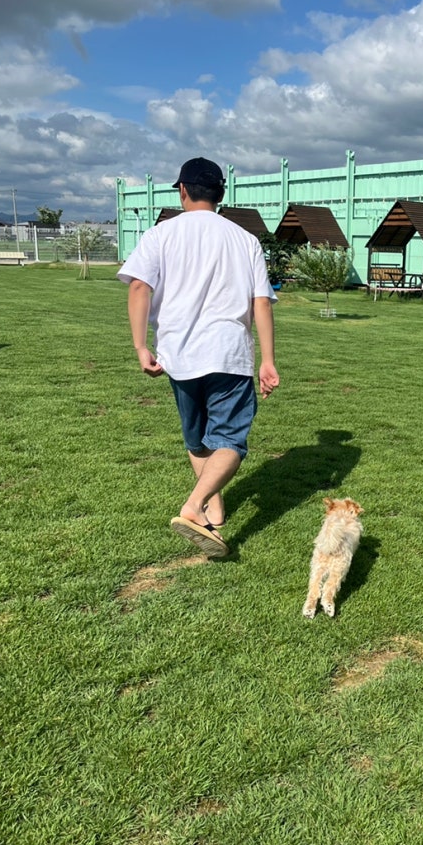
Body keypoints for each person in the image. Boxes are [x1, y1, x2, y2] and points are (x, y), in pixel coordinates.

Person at [117, 156, 279, 557]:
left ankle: (209, 510)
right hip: (229, 353)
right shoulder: (245, 239)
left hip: (179, 354)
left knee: (197, 435)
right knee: (230, 440)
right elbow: (261, 302)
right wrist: (268, 359)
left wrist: (140, 346)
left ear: (183, 190)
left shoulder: (161, 234)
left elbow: (139, 287)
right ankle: (198, 506)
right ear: (220, 194)